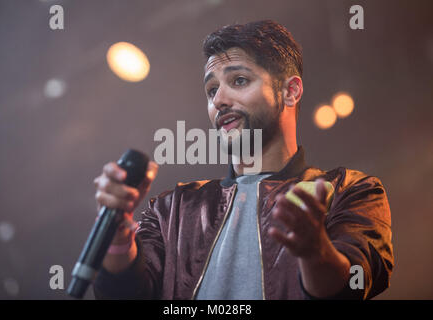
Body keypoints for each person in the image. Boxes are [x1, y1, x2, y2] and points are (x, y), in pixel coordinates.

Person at [92, 20, 394, 300]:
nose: (218, 100)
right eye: (211, 90)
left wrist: (315, 252)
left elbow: (353, 284)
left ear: (290, 91)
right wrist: (117, 231)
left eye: (238, 80)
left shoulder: (351, 190)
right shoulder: (171, 209)